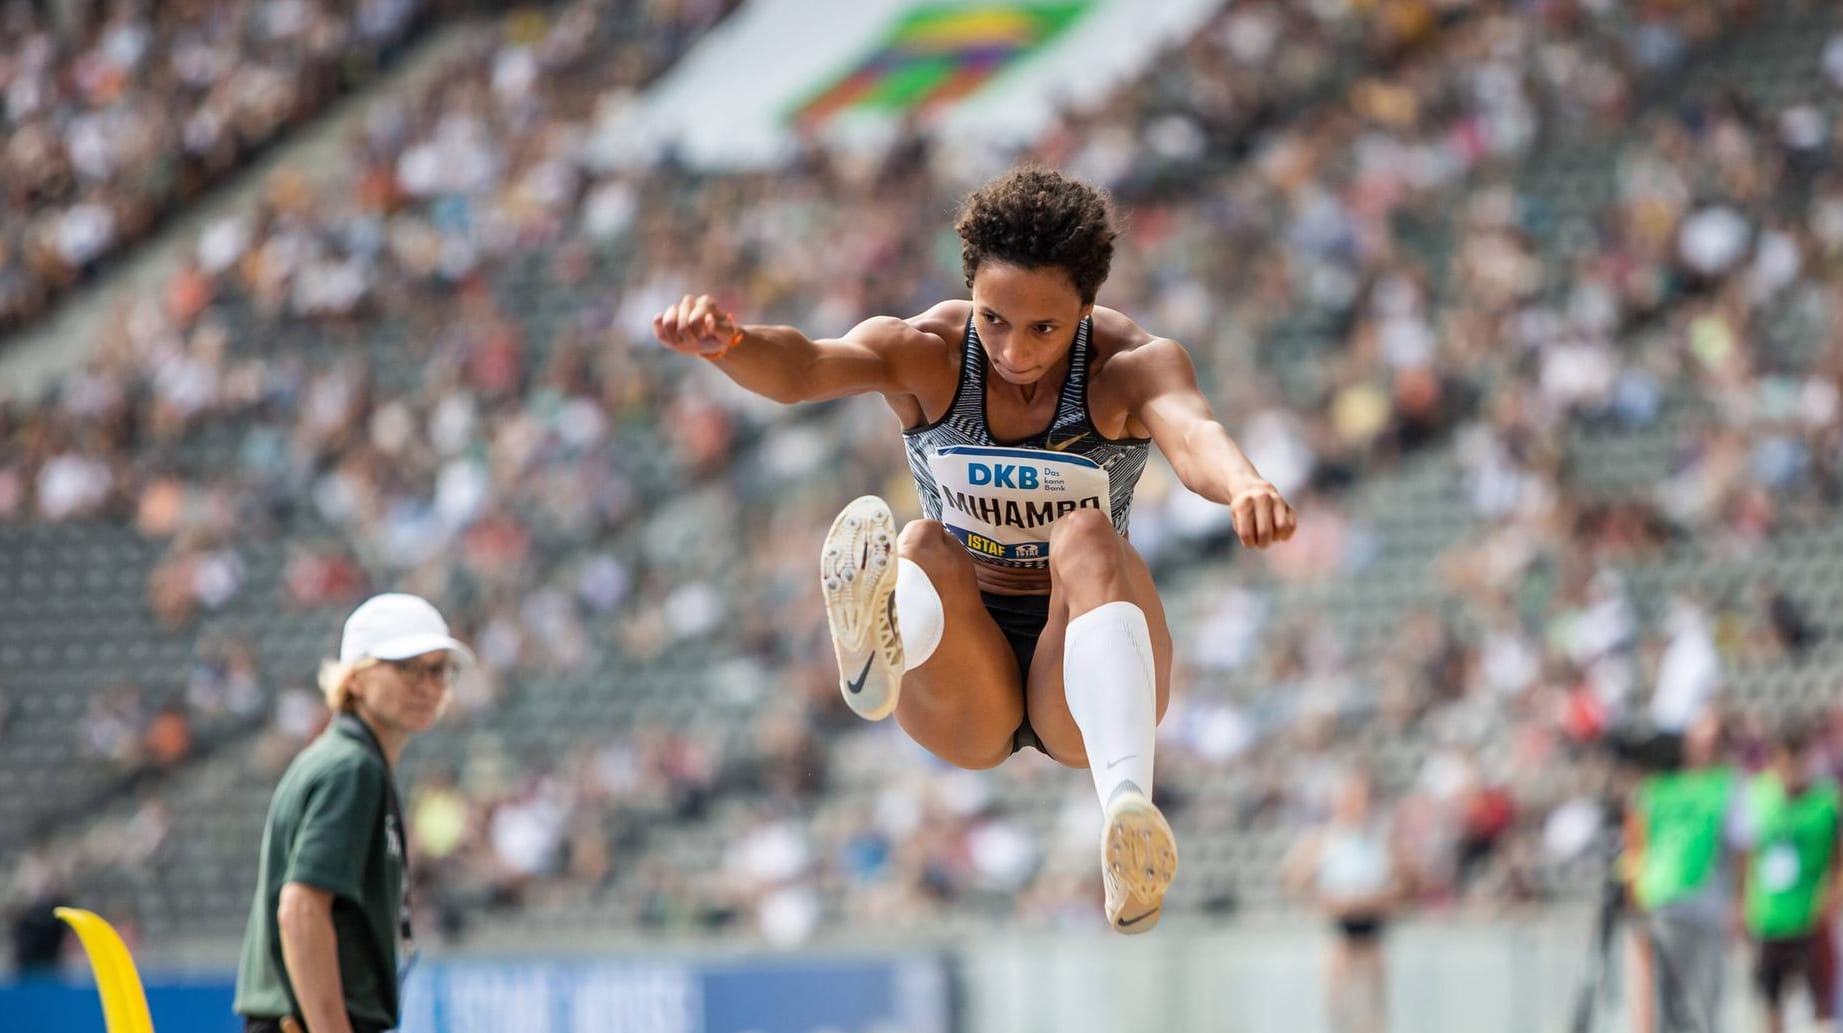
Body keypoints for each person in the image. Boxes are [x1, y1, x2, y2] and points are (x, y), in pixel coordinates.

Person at [652, 166, 1297, 933]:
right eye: (994, 319)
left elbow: (1193, 432)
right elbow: (805, 369)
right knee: (921, 538)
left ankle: (1127, 819)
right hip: (964, 674)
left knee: (1088, 535)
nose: (1014, 351)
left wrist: (1244, 483)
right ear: (970, 293)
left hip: (1086, 671)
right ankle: (885, 640)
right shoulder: (929, 350)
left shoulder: (1130, 364)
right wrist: (731, 343)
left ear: (1086, 309)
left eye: (1044, 329)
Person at [233, 594, 473, 1033]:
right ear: (355, 679)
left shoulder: (346, 759)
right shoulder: (352, 768)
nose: (427, 684)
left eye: (438, 669)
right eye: (405, 667)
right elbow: (302, 908)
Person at [1624, 709, 1742, 1033]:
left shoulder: (1726, 787)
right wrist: (1634, 897)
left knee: (1703, 1008)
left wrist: (1740, 904)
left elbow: (1741, 847)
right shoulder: (1658, 789)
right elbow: (1637, 845)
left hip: (1706, 907)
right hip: (1662, 904)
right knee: (1662, 1007)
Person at [1283, 771, 1410, 1033]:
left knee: (1372, 1009)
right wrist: (1325, 900)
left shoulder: (1381, 839)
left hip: (1372, 931)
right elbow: (1293, 880)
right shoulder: (1325, 839)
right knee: (1339, 1008)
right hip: (1340, 932)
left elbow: (1406, 883)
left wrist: (1372, 900)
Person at [1739, 724, 1840, 1033]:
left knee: (1820, 1001)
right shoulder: (1757, 795)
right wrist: (1742, 902)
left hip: (1811, 915)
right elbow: (1745, 853)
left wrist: (1831, 897)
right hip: (1768, 916)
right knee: (1770, 999)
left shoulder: (1827, 802)